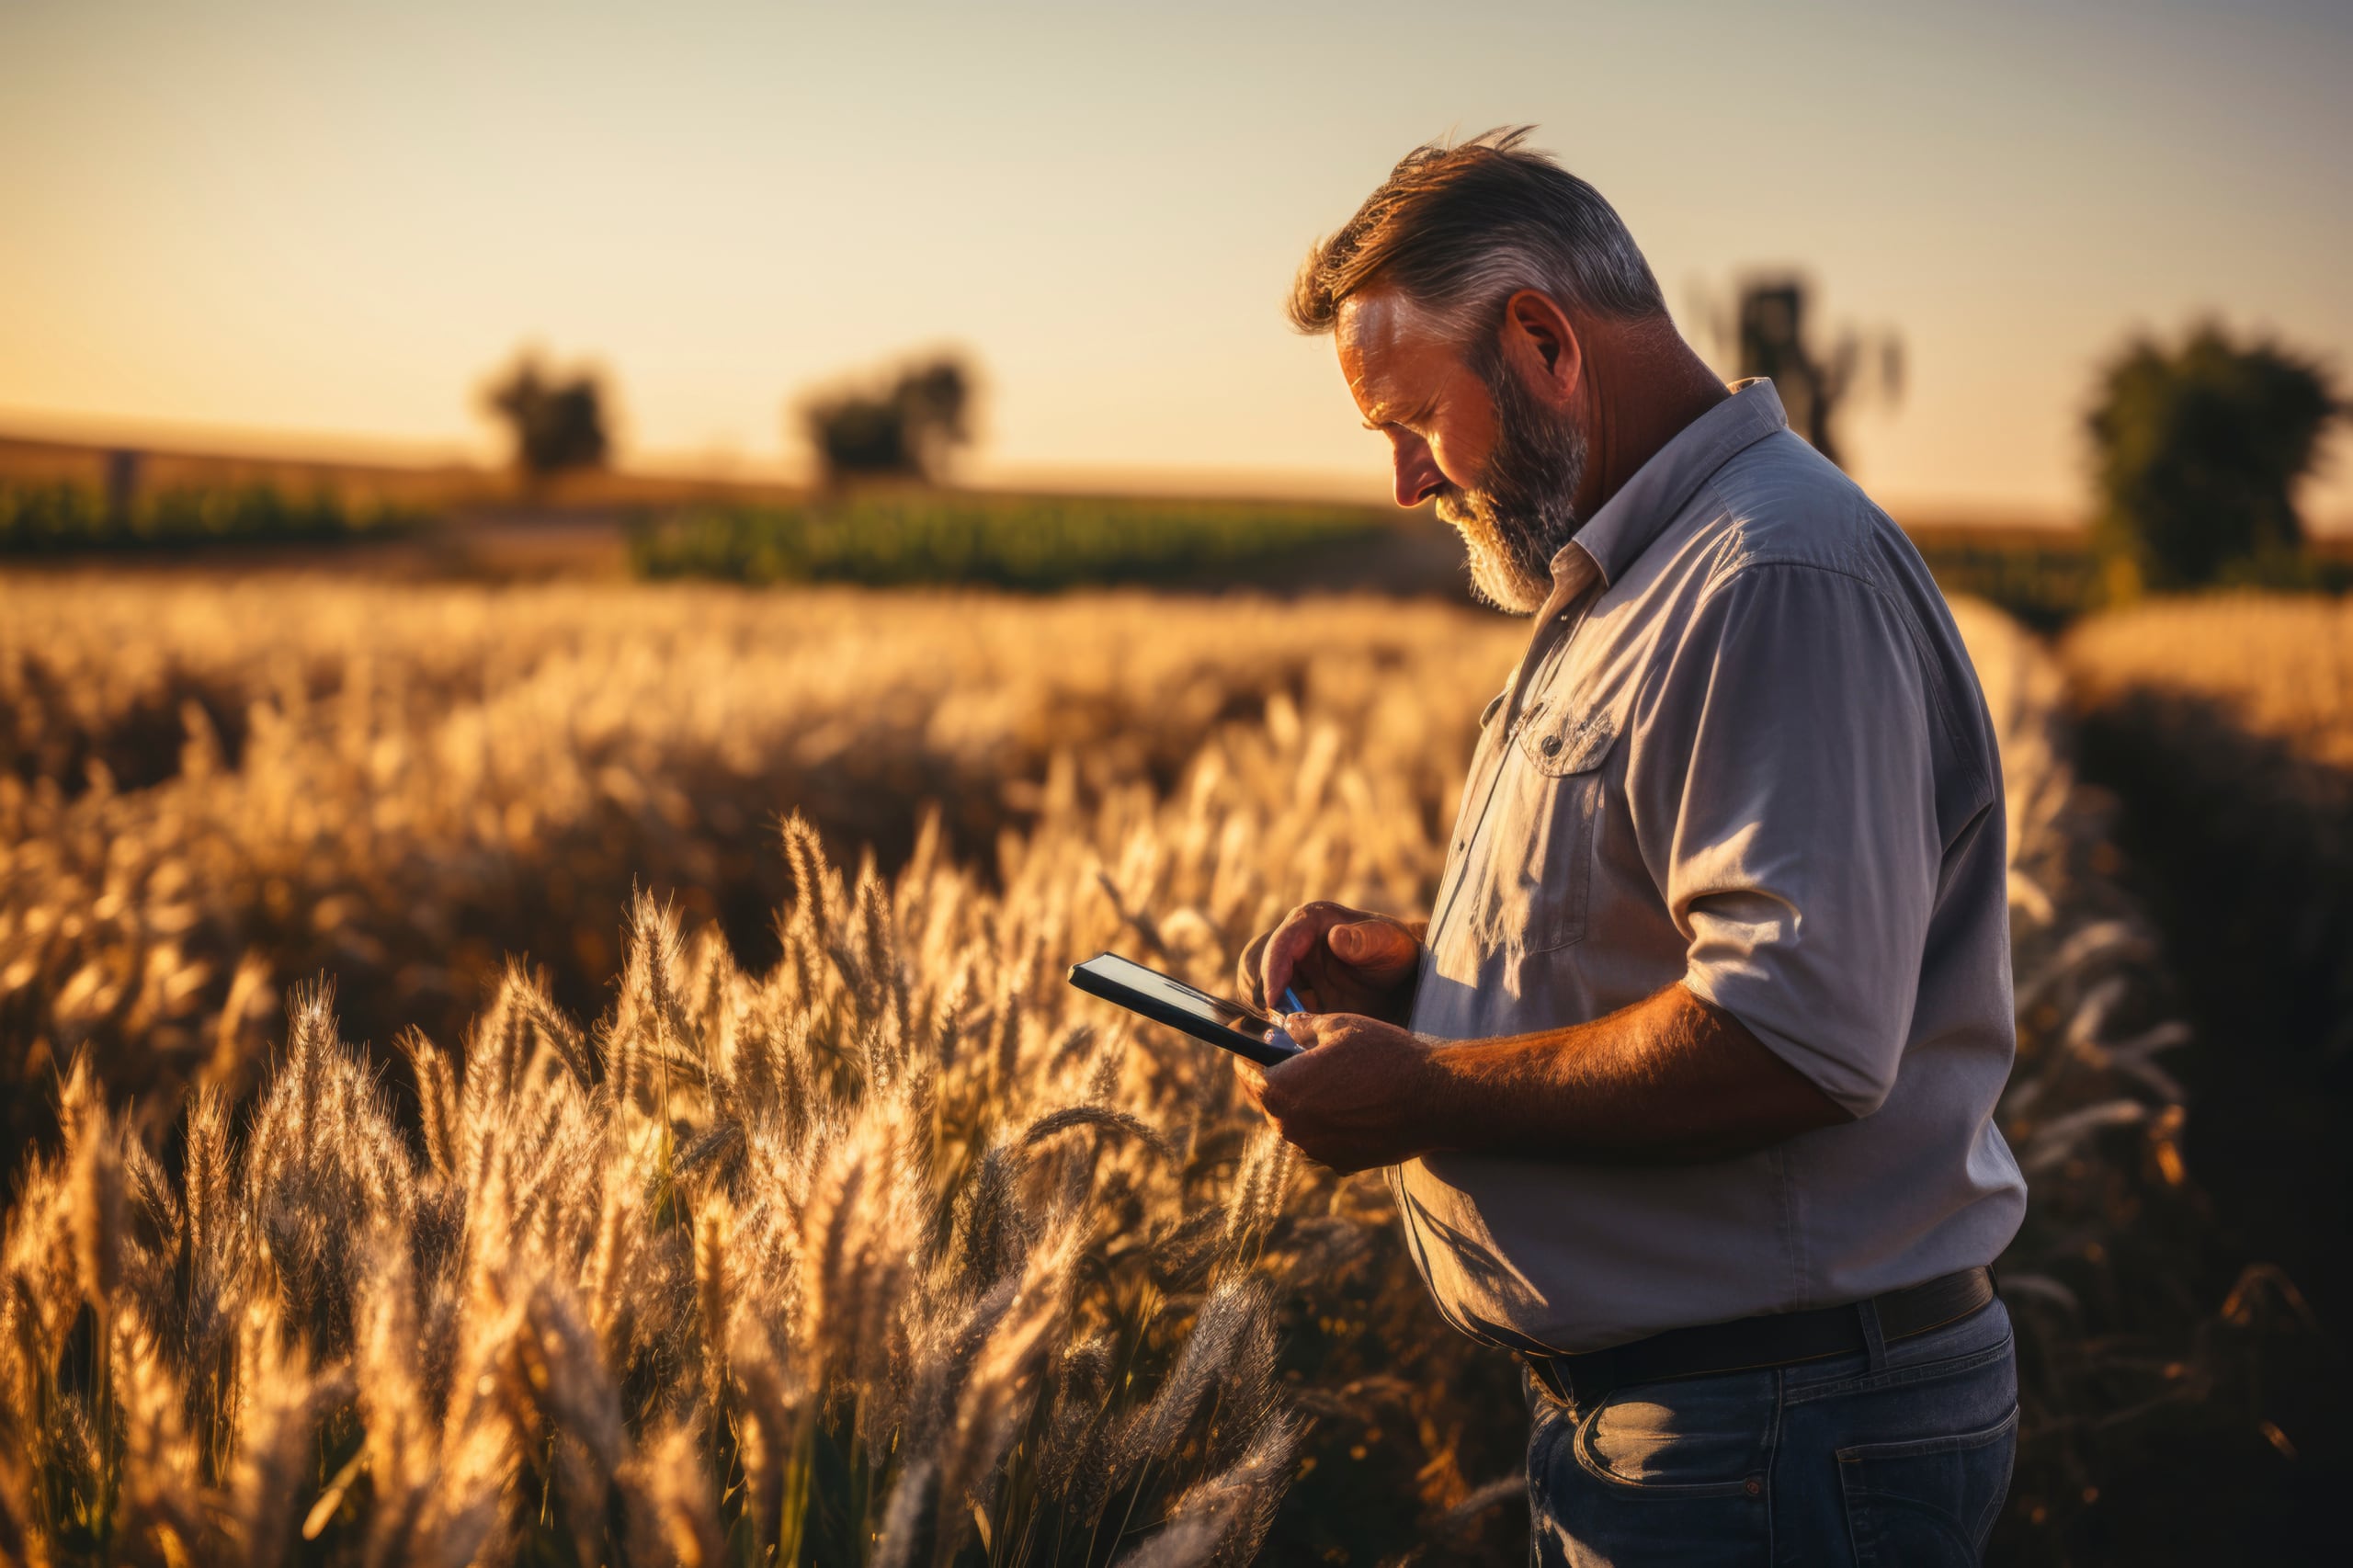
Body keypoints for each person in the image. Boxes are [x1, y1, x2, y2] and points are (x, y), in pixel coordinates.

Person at [1233, 129, 2027, 1566]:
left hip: (1775, 1433)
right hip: (1718, 1427)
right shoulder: (1638, 575)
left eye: (1411, 421)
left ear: (1541, 341)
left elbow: (1796, 1035)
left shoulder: (1773, 574)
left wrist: (1435, 1091)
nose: (1407, 485)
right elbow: (1674, 951)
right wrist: (1430, 989)